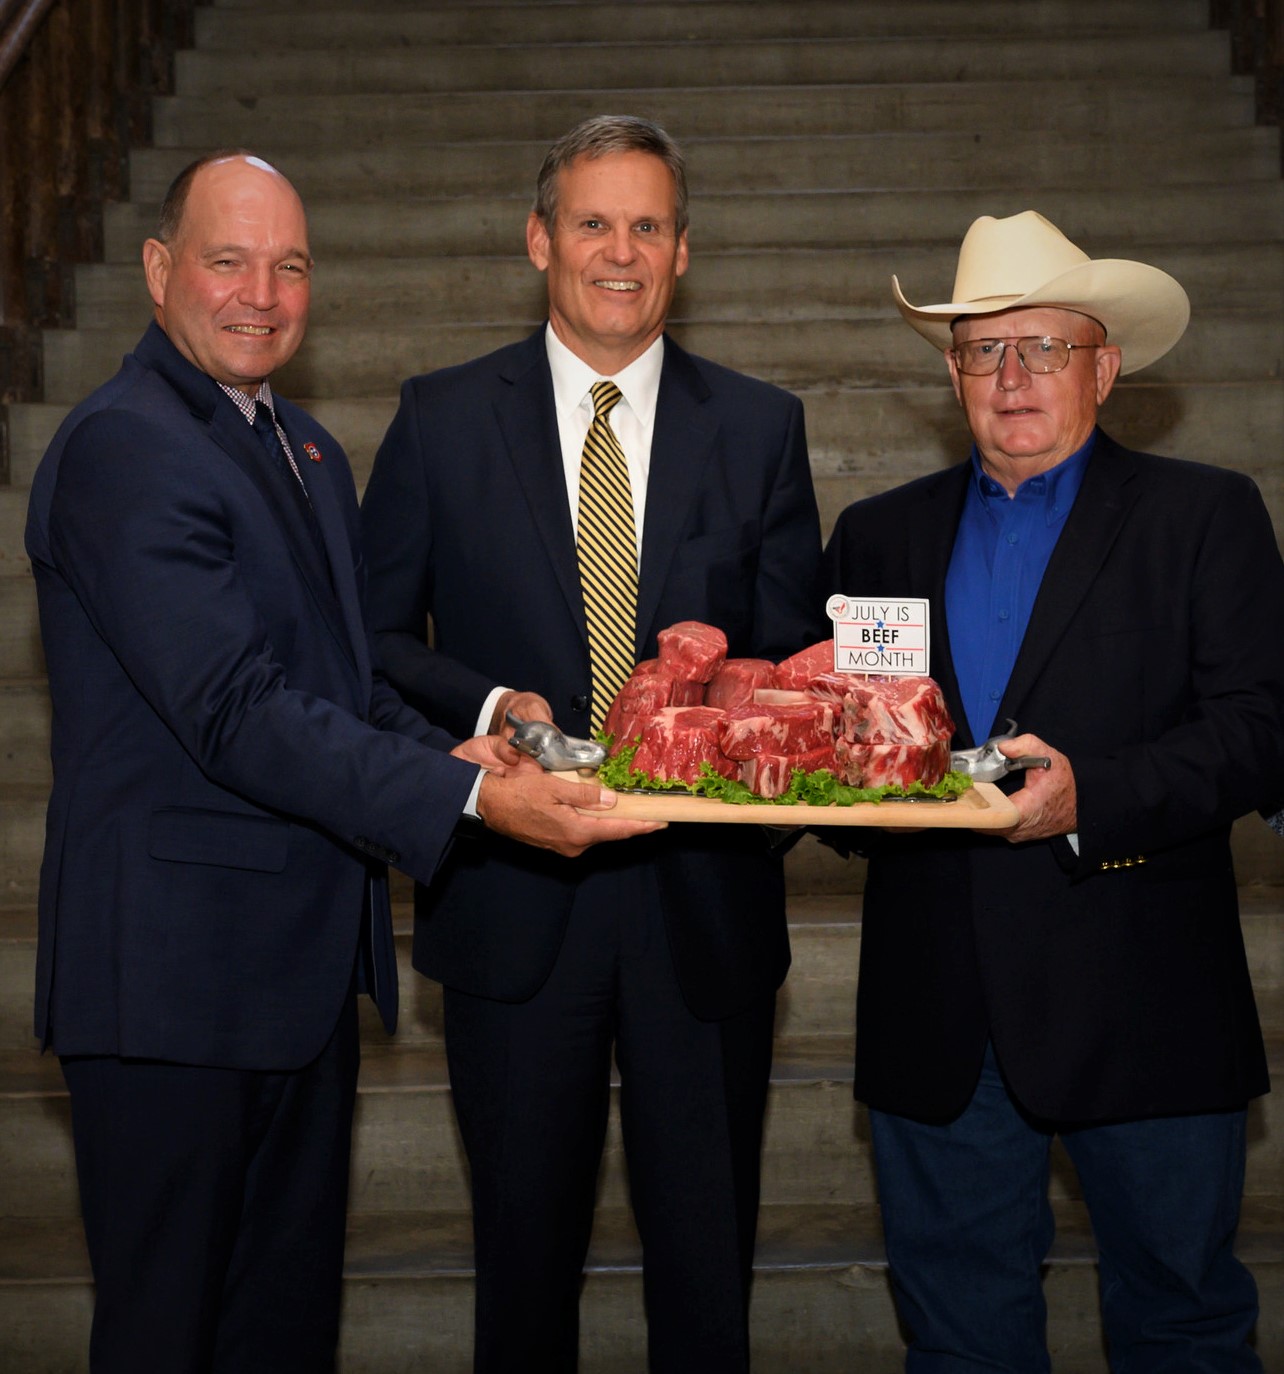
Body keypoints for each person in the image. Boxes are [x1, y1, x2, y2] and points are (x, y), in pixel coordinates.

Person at [23, 149, 660, 1374]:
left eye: (290, 265)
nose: (261, 292)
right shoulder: (126, 447)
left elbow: (343, 682)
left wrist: (460, 745)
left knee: (280, 1333)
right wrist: (473, 798)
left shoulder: (301, 447)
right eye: (227, 260)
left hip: (293, 984)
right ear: (158, 273)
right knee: (169, 1335)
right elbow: (235, 709)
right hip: (172, 988)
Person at [360, 115, 822, 1371]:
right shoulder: (442, 420)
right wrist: (487, 705)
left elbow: (793, 667)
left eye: (649, 225)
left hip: (705, 914)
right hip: (513, 905)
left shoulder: (763, 429)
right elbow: (375, 642)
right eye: (593, 222)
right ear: (538, 240)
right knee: (520, 1278)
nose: (621, 250)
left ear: (684, 253)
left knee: (707, 1285)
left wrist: (734, 718)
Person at [821, 209, 1284, 1371]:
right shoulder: (876, 538)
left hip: (1148, 1002)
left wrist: (1096, 795)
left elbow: (1259, 731)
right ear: (951, 371)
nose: (1012, 375)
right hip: (941, 1017)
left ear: (1106, 366)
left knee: (1181, 1322)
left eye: (1045, 347)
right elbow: (852, 761)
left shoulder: (1204, 515)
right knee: (961, 1337)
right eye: (984, 349)